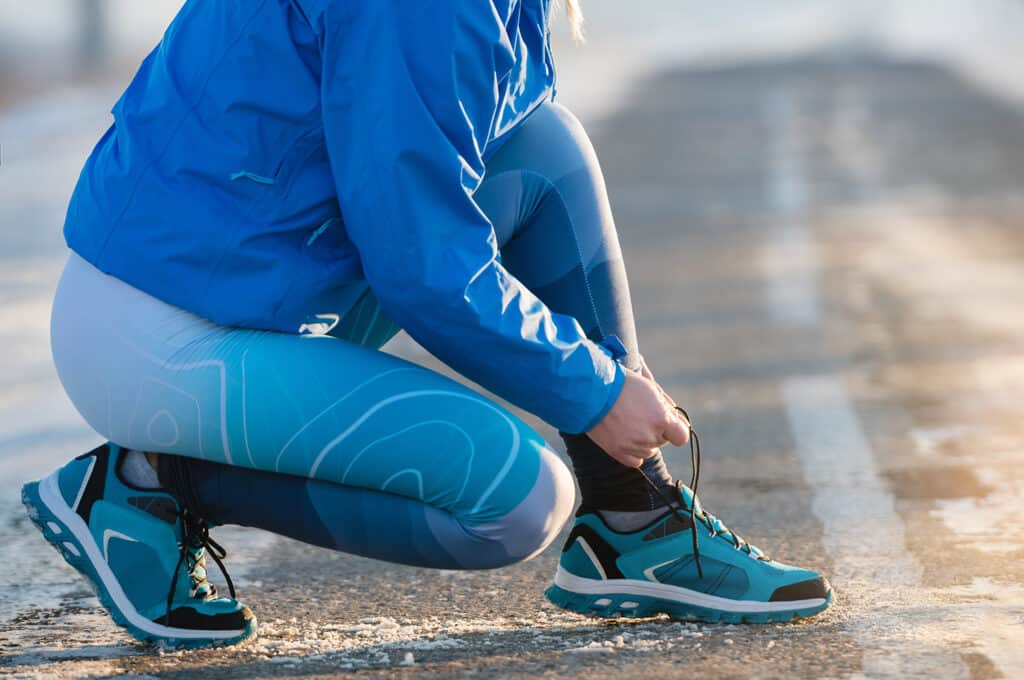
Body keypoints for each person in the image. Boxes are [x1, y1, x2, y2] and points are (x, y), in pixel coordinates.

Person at [22, 0, 832, 649]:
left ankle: (634, 517)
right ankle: (148, 483)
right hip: (161, 334)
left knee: (541, 144)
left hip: (268, 283)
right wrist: (595, 391)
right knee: (515, 504)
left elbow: (463, 185)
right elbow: (421, 266)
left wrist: (602, 394)